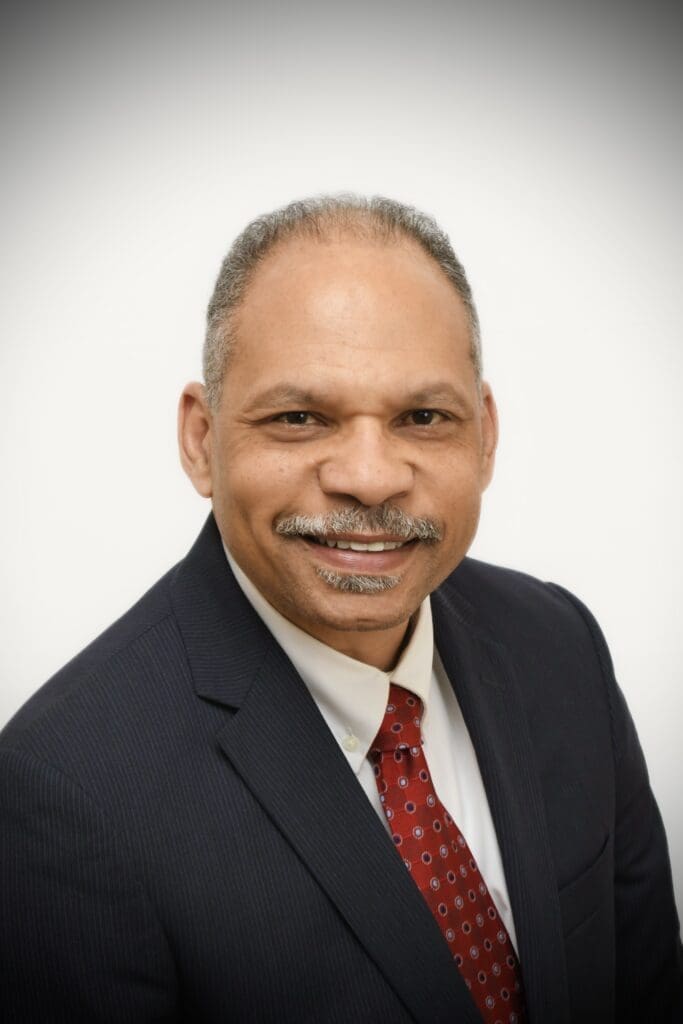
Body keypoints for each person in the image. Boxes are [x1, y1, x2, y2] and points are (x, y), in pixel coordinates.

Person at [1, 195, 680, 1024]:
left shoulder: (558, 644)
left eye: (422, 417)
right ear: (201, 440)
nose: (369, 477)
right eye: (299, 418)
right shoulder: (65, 793)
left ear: (484, 436)